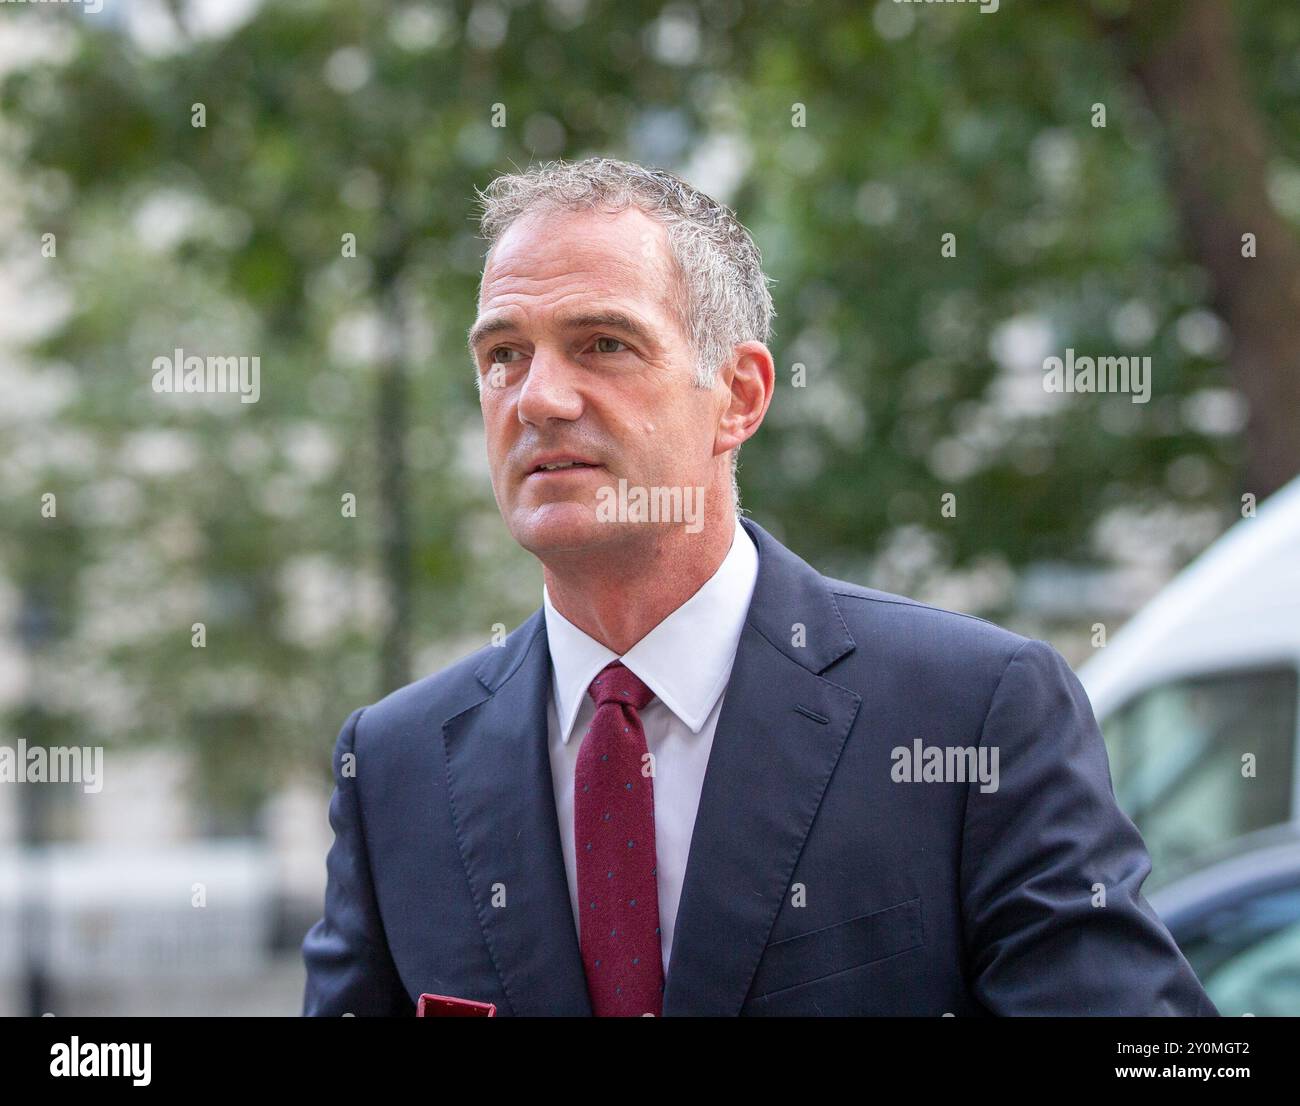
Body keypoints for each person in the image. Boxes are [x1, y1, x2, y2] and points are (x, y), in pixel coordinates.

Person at [301, 157, 1217, 1016]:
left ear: (738, 396)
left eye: (603, 343)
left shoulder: (972, 713)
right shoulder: (396, 768)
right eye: (504, 354)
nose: (538, 398)